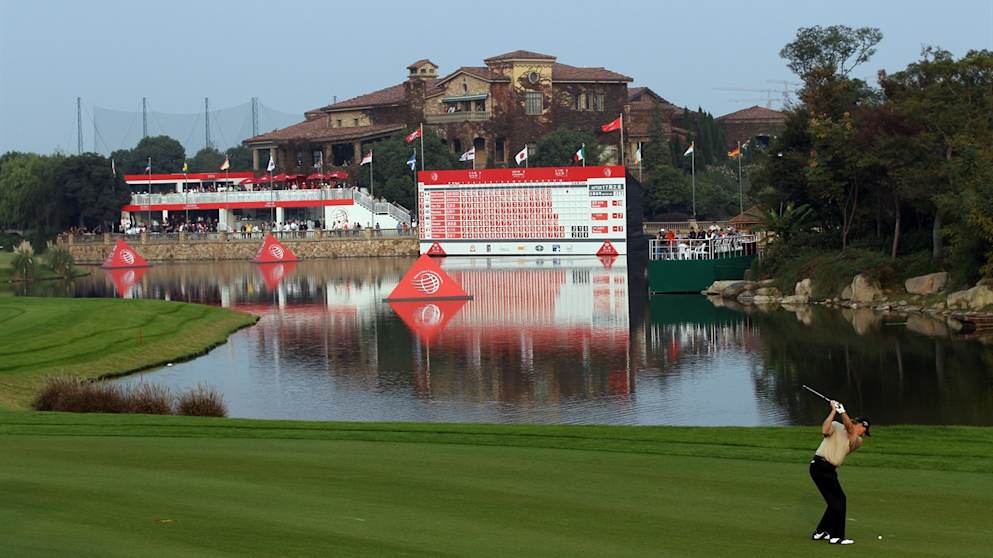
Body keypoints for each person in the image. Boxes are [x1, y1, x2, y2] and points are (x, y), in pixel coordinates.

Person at [809, 399, 870, 545]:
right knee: (839, 501)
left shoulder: (857, 440)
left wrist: (843, 411)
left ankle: (820, 532)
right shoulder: (836, 425)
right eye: (865, 430)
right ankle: (837, 537)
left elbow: (849, 429)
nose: (864, 433)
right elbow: (824, 430)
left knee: (834, 502)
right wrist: (833, 411)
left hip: (827, 470)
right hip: (819, 466)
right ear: (861, 425)